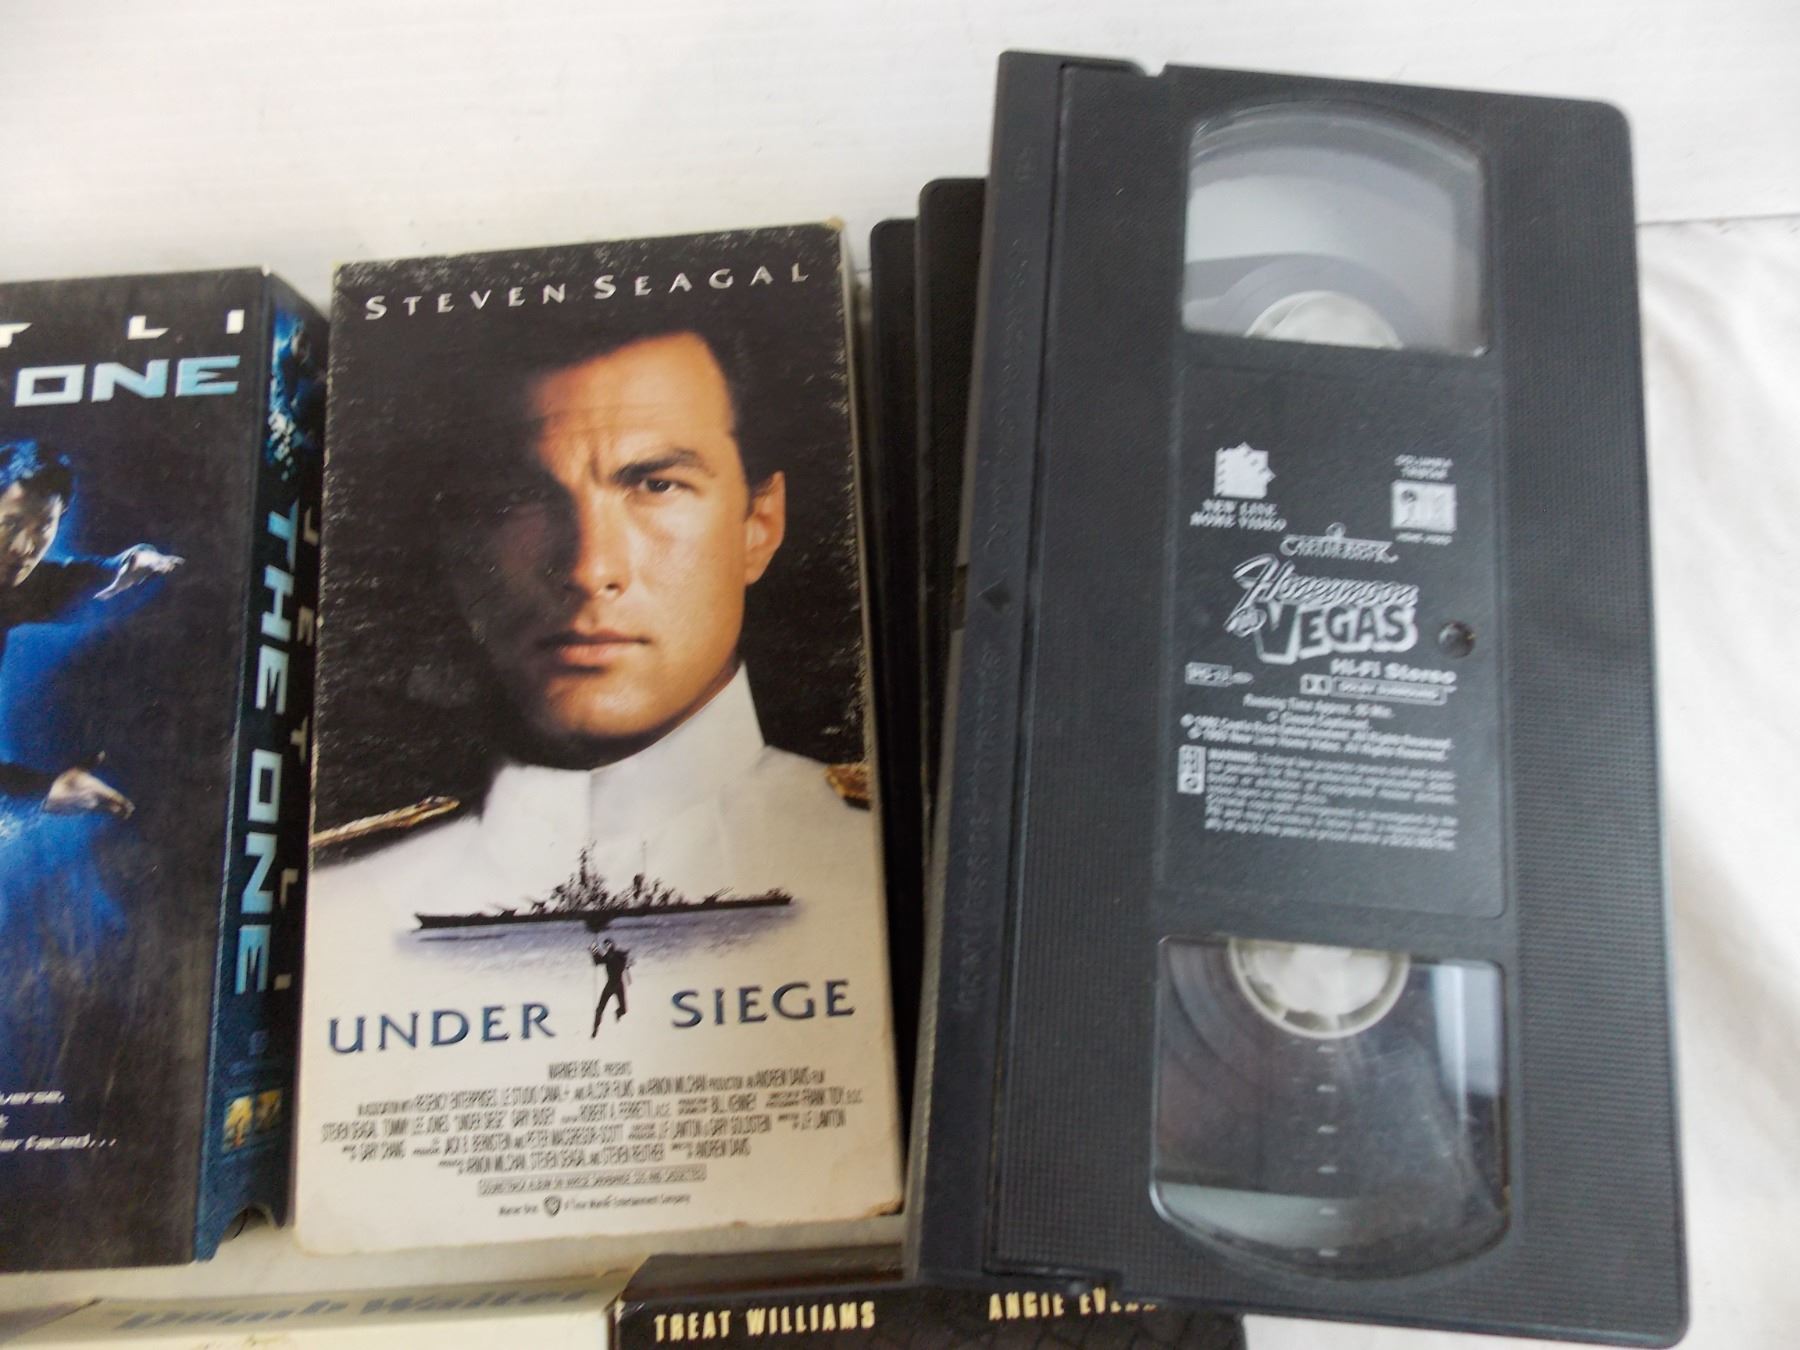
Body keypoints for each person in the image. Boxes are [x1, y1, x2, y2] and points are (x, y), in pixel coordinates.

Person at [317, 323, 879, 931]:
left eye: (657, 485)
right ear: (455, 544)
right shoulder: (338, 905)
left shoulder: (877, 859)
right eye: (519, 498)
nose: (590, 569)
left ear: (759, 525)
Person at [0, 439, 183, 818]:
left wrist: (127, 566)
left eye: (43, 527)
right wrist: (41, 792)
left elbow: (63, 582)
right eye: (11, 524)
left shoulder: (12, 585)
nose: (23, 547)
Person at [588, 938, 631, 1035]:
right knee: (601, 1009)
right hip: (612, 985)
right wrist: (594, 951)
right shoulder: (611, 956)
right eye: (606, 947)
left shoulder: (615, 956)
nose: (607, 949)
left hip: (616, 985)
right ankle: (595, 1028)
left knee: (621, 1009)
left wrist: (594, 951)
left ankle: (617, 1013)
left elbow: (598, 961)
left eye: (607, 946)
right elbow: (598, 961)